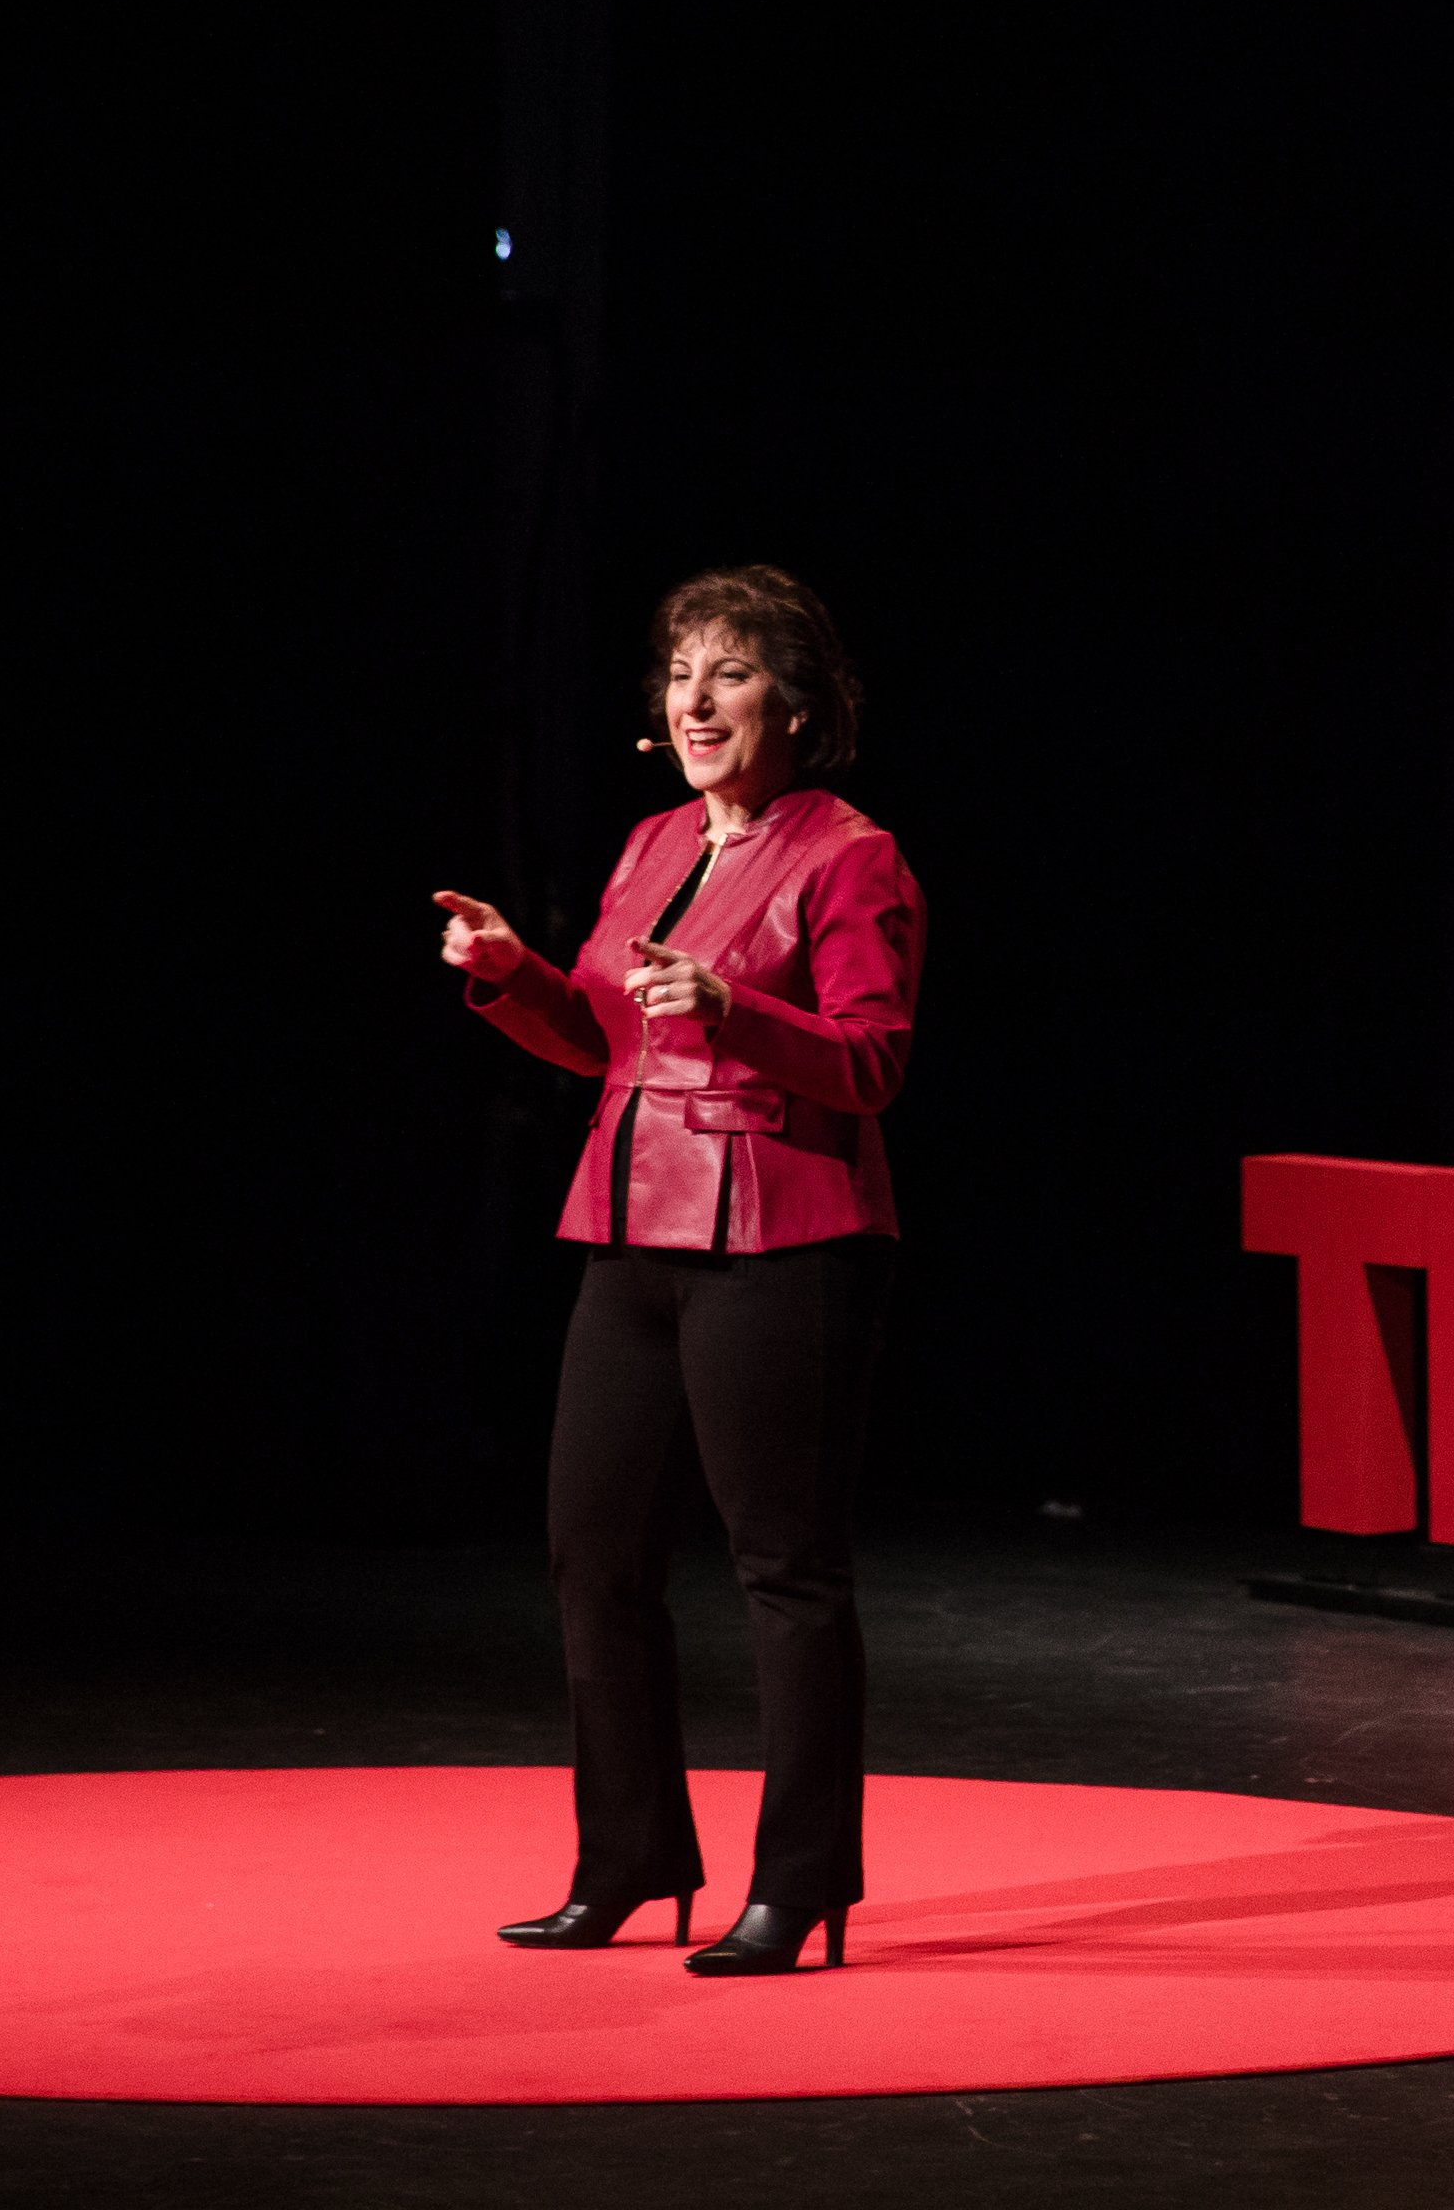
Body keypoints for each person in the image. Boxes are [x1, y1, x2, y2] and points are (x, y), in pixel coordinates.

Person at [433, 564, 923, 1975]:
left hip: (788, 1237)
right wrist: (519, 972)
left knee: (786, 1567)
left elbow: (873, 1065)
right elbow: (606, 1044)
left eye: (732, 673)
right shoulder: (651, 845)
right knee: (593, 1554)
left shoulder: (851, 856)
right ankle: (632, 1856)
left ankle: (803, 1882)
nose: (695, 700)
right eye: (681, 675)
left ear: (802, 705)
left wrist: (736, 1005)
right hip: (630, 1227)